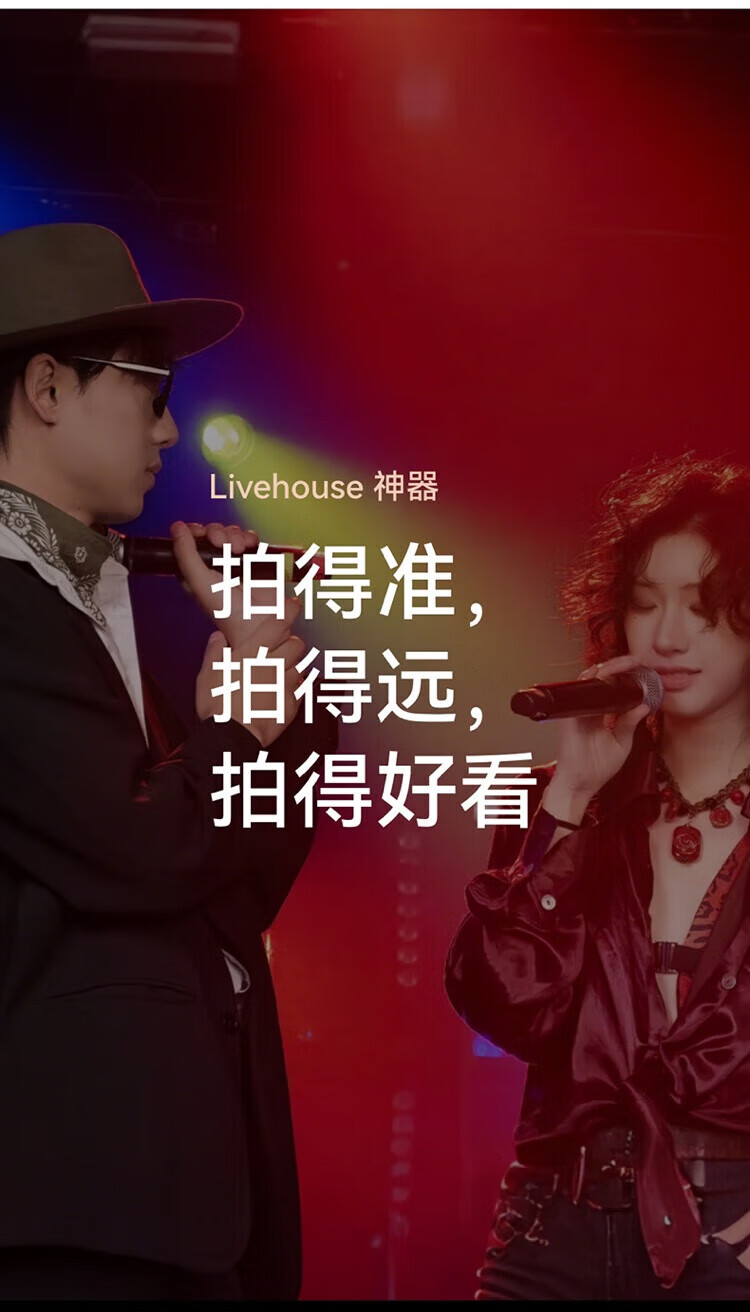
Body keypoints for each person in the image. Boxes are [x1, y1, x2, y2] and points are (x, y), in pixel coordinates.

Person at [0, 222, 334, 1299]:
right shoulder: (10, 603)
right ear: (48, 387)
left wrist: (276, 689)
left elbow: (225, 891)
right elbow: (144, 850)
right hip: (75, 1209)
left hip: (170, 1199)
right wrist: (242, 708)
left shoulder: (81, 601)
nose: (170, 428)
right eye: (149, 391)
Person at [446, 453, 750, 1300]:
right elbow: (505, 1006)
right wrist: (573, 797)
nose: (668, 636)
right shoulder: (564, 799)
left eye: (704, 606)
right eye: (646, 602)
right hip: (555, 1226)